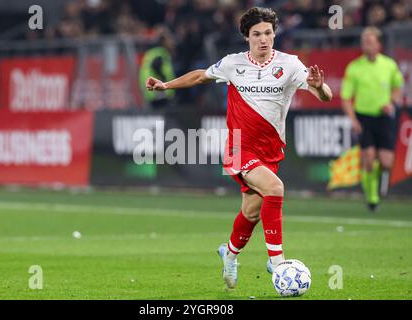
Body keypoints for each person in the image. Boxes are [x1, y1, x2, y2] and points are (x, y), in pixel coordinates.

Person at [146, 7, 332, 289]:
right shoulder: (233, 64)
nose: (263, 39)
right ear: (247, 37)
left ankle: (230, 254)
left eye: (268, 33)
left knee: (252, 212)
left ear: (274, 33)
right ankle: (278, 263)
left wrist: (319, 88)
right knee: (275, 188)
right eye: (257, 34)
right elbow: (200, 76)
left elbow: (325, 95)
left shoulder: (290, 65)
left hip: (271, 150)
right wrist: (165, 85)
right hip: (238, 147)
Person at [341, 27, 404, 212]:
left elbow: (398, 86)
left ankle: (373, 183)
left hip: (384, 118)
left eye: (369, 41)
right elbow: (346, 98)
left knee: (386, 163)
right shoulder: (354, 67)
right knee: (368, 158)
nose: (366, 45)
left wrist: (392, 102)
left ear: (379, 44)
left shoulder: (389, 65)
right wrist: (353, 120)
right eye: (364, 42)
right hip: (363, 118)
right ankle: (372, 196)